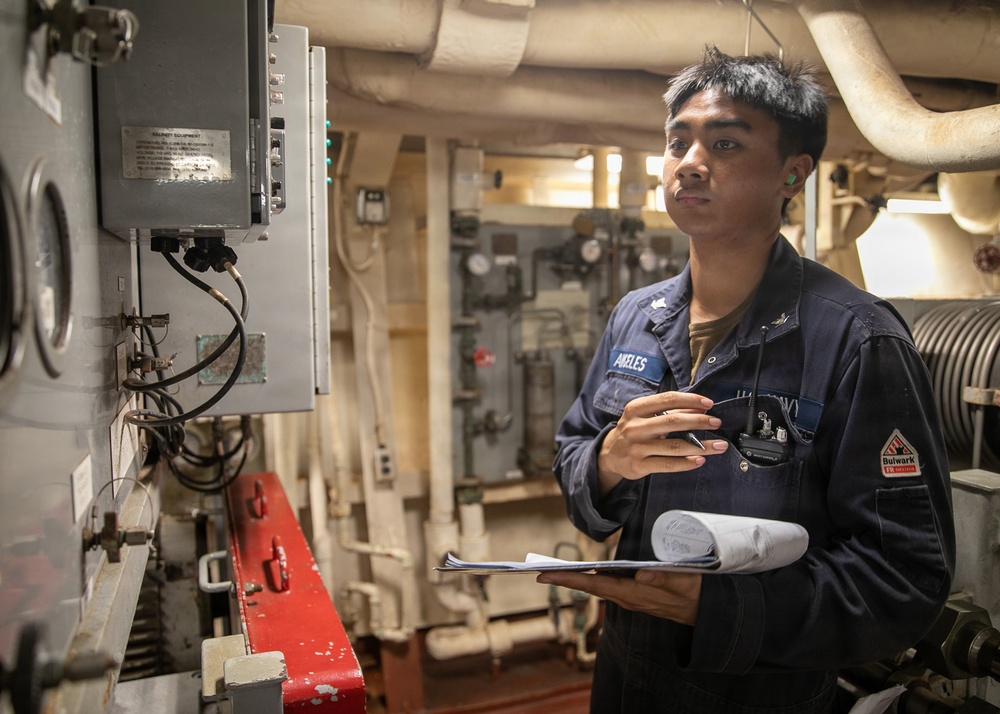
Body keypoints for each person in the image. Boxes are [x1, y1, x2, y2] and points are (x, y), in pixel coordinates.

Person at [540, 46, 955, 714]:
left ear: (794, 175)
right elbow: (575, 463)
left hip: (762, 692)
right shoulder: (636, 317)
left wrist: (723, 607)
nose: (690, 163)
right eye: (677, 143)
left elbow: (902, 577)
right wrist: (607, 464)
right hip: (625, 676)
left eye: (725, 142)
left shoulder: (856, 340)